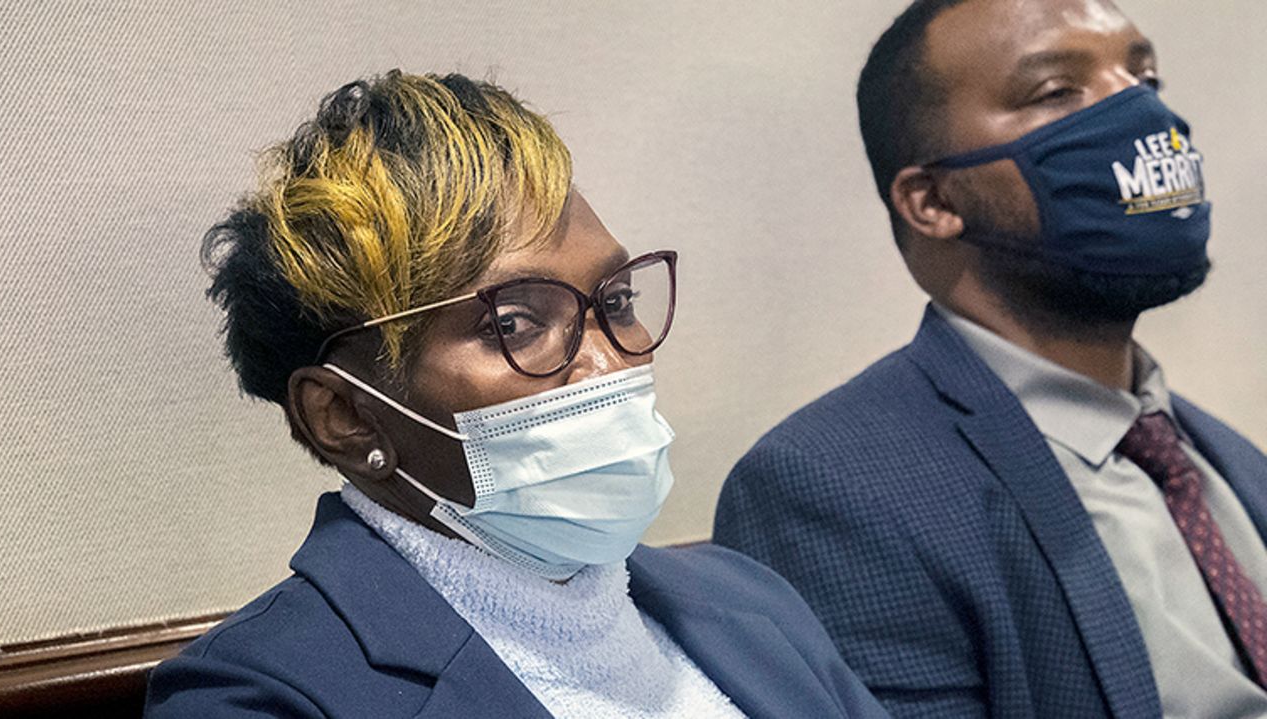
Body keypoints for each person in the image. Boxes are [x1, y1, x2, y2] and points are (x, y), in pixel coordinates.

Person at [143, 70, 885, 719]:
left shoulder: (749, 598)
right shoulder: (263, 695)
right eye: (514, 323)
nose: (606, 362)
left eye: (617, 299)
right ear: (343, 414)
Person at [714, 1, 1267, 717]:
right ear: (934, 199)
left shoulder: (1225, 458)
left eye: (1144, 77)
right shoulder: (829, 489)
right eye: (1057, 92)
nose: (1137, 112)